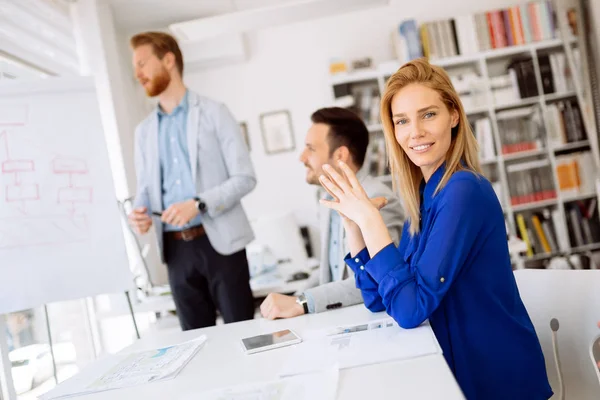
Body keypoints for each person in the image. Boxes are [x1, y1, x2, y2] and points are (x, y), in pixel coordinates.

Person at [318, 59, 552, 399]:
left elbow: (411, 309)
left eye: (428, 114)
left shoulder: (463, 191)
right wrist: (354, 226)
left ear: (453, 116)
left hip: (496, 381)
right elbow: (377, 298)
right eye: (402, 121)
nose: (415, 132)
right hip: (453, 373)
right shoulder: (424, 195)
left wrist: (371, 219)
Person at [127, 32, 256, 331]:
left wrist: (198, 204)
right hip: (176, 253)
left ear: (169, 60)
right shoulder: (143, 132)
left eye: (143, 63)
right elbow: (145, 189)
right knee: (196, 349)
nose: (138, 74)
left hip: (221, 244)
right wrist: (140, 212)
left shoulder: (214, 113)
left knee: (244, 337)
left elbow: (245, 177)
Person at [260, 107, 404, 320]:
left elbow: (378, 278)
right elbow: (330, 270)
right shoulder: (325, 199)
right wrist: (292, 296)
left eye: (310, 149)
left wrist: (303, 301)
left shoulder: (378, 198)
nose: (302, 157)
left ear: (340, 156)